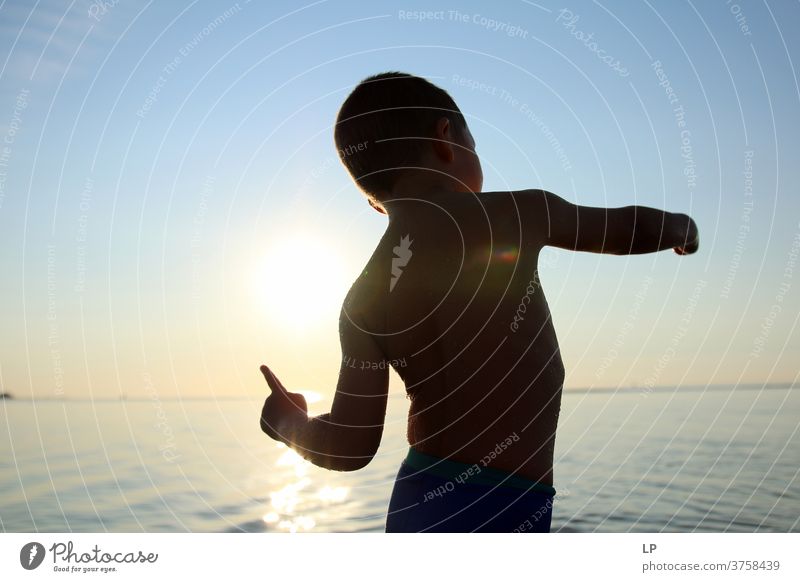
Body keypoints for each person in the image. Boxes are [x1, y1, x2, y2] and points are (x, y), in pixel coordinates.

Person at [258, 72, 699, 532]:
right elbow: (620, 228)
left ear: (373, 202)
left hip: (420, 504)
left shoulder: (363, 303)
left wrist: (290, 425)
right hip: (507, 504)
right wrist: (679, 227)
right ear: (446, 139)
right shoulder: (516, 214)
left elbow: (351, 446)